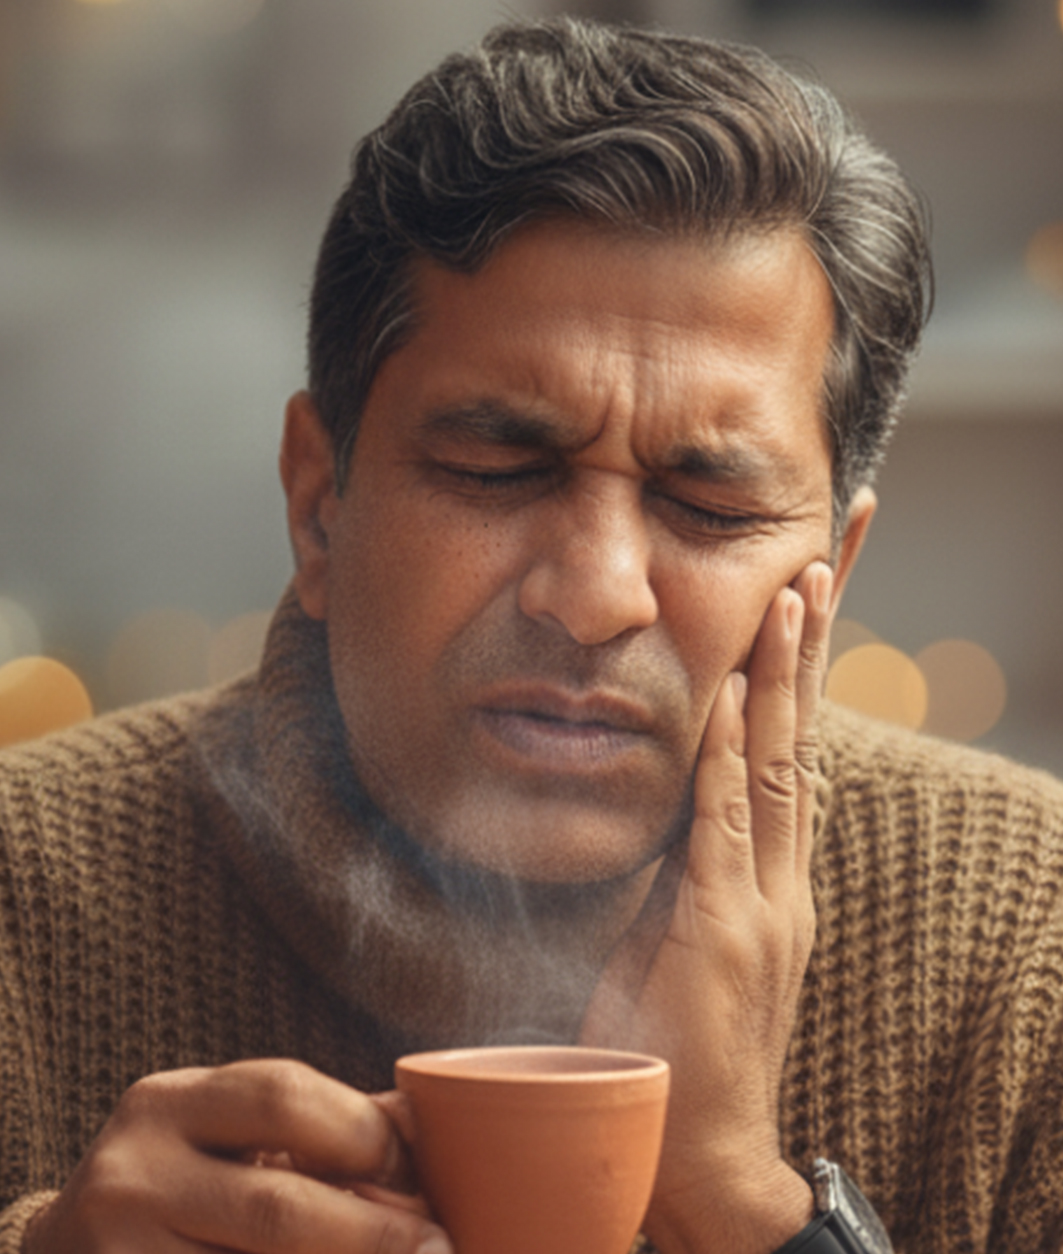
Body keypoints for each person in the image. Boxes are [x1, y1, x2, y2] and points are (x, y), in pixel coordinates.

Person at [1, 16, 1061, 1254]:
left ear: (832, 566)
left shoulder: (1028, 936)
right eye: (496, 468)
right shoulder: (21, 897)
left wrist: (736, 1199)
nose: (596, 593)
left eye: (707, 506)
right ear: (317, 502)